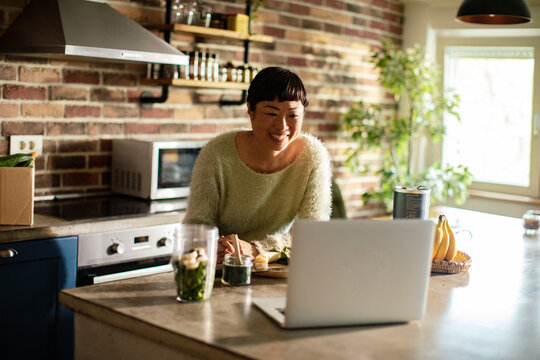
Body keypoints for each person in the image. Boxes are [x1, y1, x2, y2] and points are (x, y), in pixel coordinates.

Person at [183, 66, 332, 264]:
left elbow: (315, 234)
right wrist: (216, 248)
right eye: (271, 113)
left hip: (276, 265)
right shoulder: (217, 153)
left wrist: (256, 249)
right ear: (250, 111)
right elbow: (197, 226)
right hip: (224, 265)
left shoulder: (313, 155)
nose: (282, 126)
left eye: (293, 115)